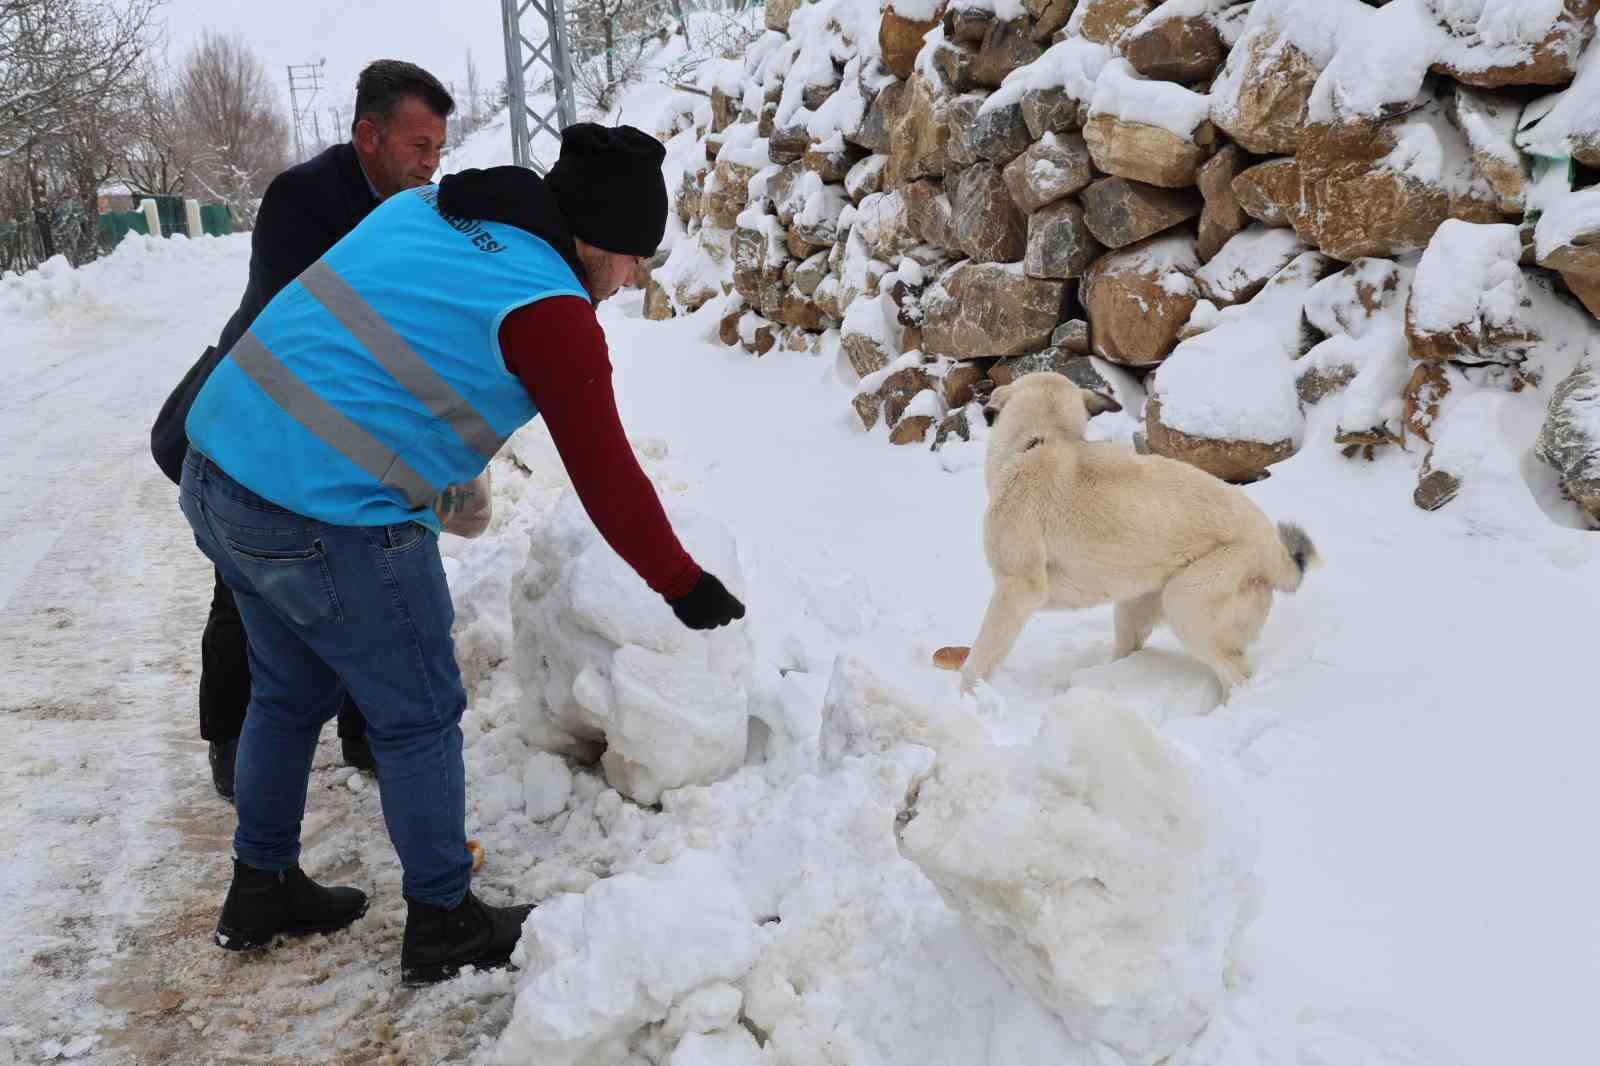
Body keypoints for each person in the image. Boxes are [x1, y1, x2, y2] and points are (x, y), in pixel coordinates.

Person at [177, 122, 747, 985]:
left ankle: (261, 887)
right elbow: (606, 474)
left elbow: (376, 343)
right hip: (322, 510)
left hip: (219, 462)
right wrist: (683, 582)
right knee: (415, 714)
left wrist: (440, 468)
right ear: (597, 241)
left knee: (289, 691)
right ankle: (444, 917)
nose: (631, 283)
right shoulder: (551, 310)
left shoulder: (430, 209)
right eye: (635, 260)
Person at [151, 60, 455, 799]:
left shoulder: (415, 205)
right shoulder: (303, 199)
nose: (430, 165)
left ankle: (363, 733)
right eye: (419, 146)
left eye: (439, 150)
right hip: (245, 425)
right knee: (245, 587)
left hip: (332, 432)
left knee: (363, 578)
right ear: (367, 135)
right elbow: (336, 332)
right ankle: (229, 740)